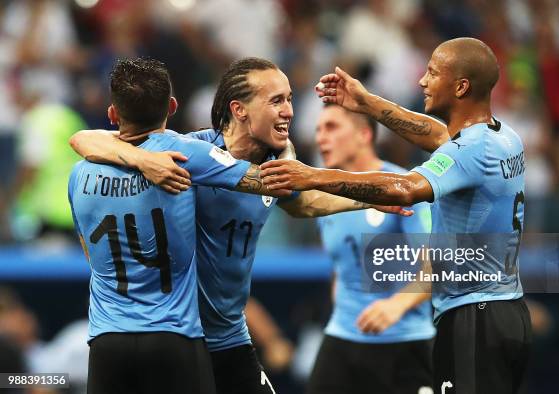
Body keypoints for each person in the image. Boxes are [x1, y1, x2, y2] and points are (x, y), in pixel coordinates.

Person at [69, 57, 408, 394]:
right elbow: (89, 139)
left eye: (289, 99)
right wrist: (144, 159)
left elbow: (303, 202)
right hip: (184, 337)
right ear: (240, 109)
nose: (289, 110)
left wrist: (365, 199)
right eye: (276, 100)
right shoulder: (190, 154)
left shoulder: (275, 162)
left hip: (229, 336)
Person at [260, 38, 532, 394]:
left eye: (433, 73)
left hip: (473, 318)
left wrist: (311, 175)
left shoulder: (471, 150)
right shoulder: (503, 137)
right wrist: (366, 102)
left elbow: (405, 189)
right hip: (506, 310)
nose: (422, 81)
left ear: (461, 86)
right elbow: (436, 134)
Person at [68, 57, 295, 394]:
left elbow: (89, 249)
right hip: (175, 336)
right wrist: (288, 154)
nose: (288, 109)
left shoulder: (79, 175)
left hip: (107, 340)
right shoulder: (187, 158)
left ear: (113, 114)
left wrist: (138, 158)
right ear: (172, 107)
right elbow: (271, 182)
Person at [307, 103, 436, 394]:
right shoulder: (323, 197)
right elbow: (343, 265)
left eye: (331, 127)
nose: (320, 138)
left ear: (364, 135)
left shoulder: (403, 188)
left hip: (404, 343)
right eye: (317, 129)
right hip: (342, 339)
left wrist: (396, 304)